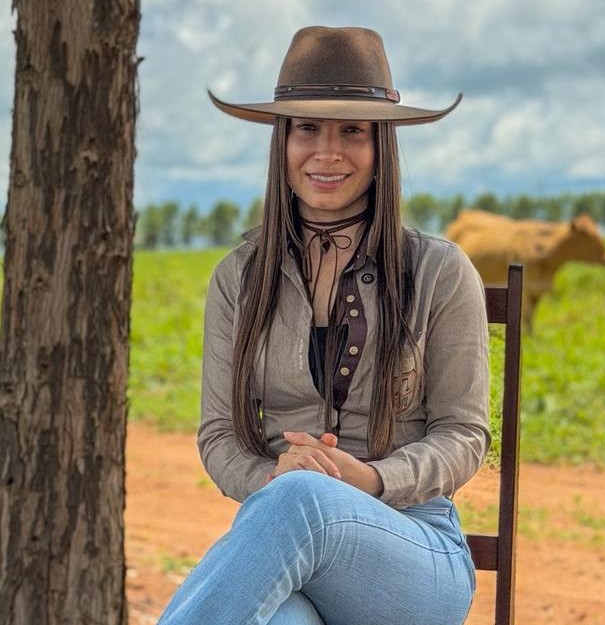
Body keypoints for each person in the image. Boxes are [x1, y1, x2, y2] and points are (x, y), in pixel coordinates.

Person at [158, 26, 489, 625]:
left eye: (352, 131)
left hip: (412, 552)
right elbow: (218, 438)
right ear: (282, 141)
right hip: (290, 551)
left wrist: (370, 479)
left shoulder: (441, 270)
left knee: (304, 498)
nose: (327, 153)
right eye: (307, 128)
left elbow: (464, 437)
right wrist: (271, 474)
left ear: (381, 143)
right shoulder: (240, 277)